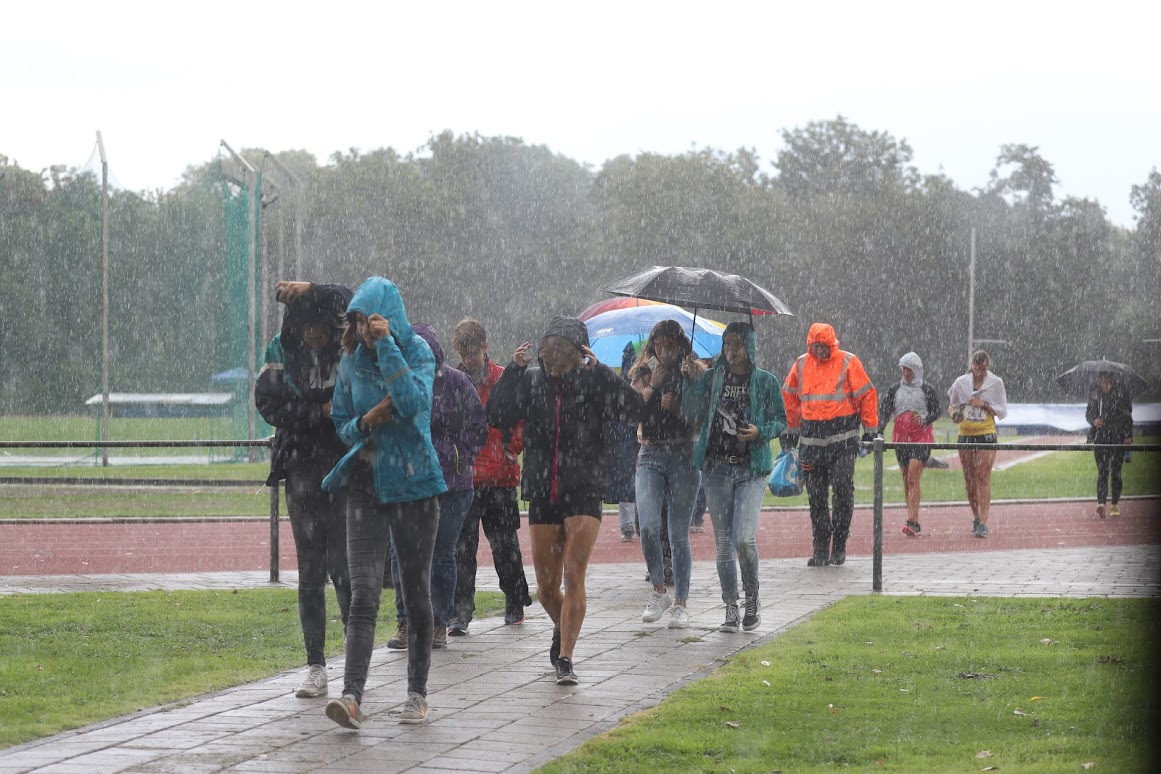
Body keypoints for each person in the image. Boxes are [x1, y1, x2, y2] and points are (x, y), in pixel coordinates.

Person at [487, 316, 643, 685]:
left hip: (584, 489)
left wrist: (602, 373)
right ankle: (564, 626)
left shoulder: (593, 382)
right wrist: (513, 371)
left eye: (562, 351)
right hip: (543, 491)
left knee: (574, 575)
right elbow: (497, 414)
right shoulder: (531, 382)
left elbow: (636, 409)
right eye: (549, 351)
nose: (554, 358)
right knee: (545, 588)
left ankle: (566, 658)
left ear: (577, 353)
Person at [320, 277, 446, 729]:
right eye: (357, 321)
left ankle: (417, 694)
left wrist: (389, 345)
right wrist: (365, 422)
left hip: (414, 485)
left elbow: (411, 404)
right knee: (364, 594)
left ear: (389, 317)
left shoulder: (418, 352)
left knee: (415, 593)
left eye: (369, 320)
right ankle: (351, 697)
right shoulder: (351, 361)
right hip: (366, 483)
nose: (362, 330)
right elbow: (341, 421)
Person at [254, 280, 352, 700]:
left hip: (343, 465)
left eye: (319, 326)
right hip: (300, 467)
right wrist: (318, 412)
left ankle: (355, 654)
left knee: (345, 566)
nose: (313, 334)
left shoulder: (347, 346)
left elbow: (350, 297)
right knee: (310, 571)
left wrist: (312, 287)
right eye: (305, 326)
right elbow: (268, 404)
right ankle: (316, 665)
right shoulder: (280, 351)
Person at [386, 324, 487, 650]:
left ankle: (439, 622)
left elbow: (478, 426)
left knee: (442, 553)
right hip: (406, 482)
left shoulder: (456, 382)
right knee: (402, 553)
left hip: (451, 485)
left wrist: (459, 455)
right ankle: (406, 622)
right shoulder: (395, 383)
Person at [682, 322, 786, 632]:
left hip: (749, 469)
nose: (732, 350)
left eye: (738, 344)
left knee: (743, 537)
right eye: (727, 344)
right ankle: (730, 605)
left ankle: (751, 596)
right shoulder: (713, 377)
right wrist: (689, 381)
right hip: (716, 469)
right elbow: (691, 413)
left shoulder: (765, 381)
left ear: (749, 346)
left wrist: (760, 431)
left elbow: (781, 420)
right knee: (724, 543)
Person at [449, 318, 534, 633]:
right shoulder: (455, 381)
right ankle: (460, 612)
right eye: (464, 353)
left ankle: (514, 602)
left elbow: (521, 418)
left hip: (499, 475)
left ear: (485, 346)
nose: (469, 359)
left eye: (473, 352)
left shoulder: (502, 379)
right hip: (466, 478)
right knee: (462, 550)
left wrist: (510, 448)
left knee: (505, 547)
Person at [782, 323, 878, 567]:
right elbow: (789, 398)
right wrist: (790, 431)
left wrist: (871, 430)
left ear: (832, 345)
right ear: (810, 345)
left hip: (842, 442)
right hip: (811, 443)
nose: (820, 350)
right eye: (816, 346)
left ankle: (840, 545)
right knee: (816, 497)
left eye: (823, 346)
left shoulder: (848, 362)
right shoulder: (801, 365)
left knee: (843, 491)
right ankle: (821, 549)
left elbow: (866, 395)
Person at [628, 320, 702, 629]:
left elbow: (701, 417)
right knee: (647, 526)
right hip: (650, 453)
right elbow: (631, 412)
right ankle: (659, 591)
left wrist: (679, 408)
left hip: (683, 454)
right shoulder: (643, 372)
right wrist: (652, 388)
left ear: (681, 346)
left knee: (677, 533)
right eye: (658, 345)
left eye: (670, 346)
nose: (663, 351)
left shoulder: (694, 372)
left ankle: (681, 602)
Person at [877, 352, 942, 537]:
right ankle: (912, 517)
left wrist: (925, 419)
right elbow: (885, 411)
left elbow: (937, 411)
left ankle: (912, 521)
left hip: (922, 438)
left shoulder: (927, 389)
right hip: (901, 439)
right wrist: (879, 430)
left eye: (909, 370)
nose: (905, 373)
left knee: (913, 476)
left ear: (916, 370)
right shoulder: (894, 389)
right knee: (906, 478)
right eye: (903, 369)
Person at [947, 350, 1008, 538]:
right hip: (966, 434)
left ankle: (983, 521)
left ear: (987, 367)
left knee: (983, 476)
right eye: (976, 368)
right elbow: (952, 405)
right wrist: (955, 415)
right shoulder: (961, 382)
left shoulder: (995, 383)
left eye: (983, 369)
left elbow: (1002, 411)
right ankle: (976, 515)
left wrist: (983, 405)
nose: (980, 372)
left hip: (986, 433)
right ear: (972, 366)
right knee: (970, 479)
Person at [1086, 372, 1134, 518]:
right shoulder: (1095, 394)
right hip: (1100, 437)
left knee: (1116, 471)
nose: (1104, 381)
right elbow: (1088, 414)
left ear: (1112, 379)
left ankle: (1114, 503)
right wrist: (1094, 421)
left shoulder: (1121, 393)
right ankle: (1101, 503)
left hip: (1117, 437)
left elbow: (1128, 415)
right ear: (1099, 380)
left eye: (1107, 378)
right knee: (1102, 471)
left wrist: (1128, 434)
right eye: (1102, 378)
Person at [609, 341, 641, 542]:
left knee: (629, 478)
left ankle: (630, 525)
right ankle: (633, 523)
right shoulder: (634, 378)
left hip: (629, 436)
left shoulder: (621, 382)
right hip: (630, 435)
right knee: (634, 478)